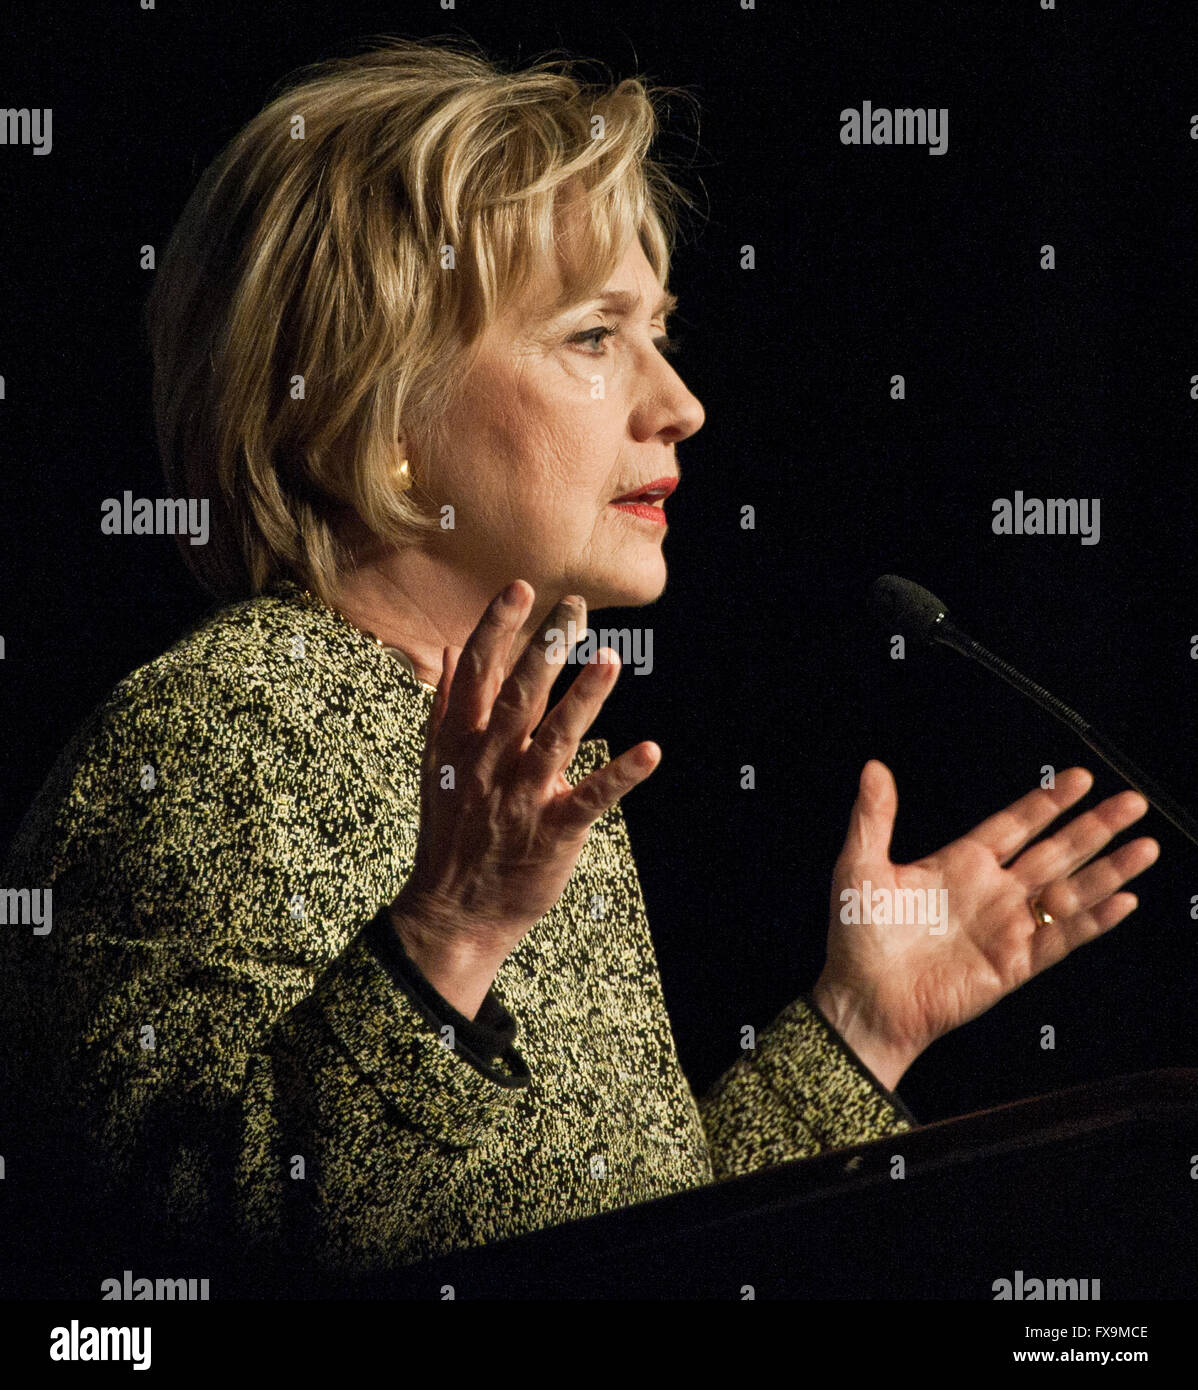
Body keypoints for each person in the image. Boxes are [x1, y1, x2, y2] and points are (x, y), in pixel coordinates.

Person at [0, 36, 1158, 1294]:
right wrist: (442, 938)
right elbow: (162, 1261)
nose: (680, 402)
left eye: (657, 330)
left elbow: (612, 1252)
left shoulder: (525, 765)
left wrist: (859, 1028)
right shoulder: (209, 738)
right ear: (381, 416)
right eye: (595, 335)